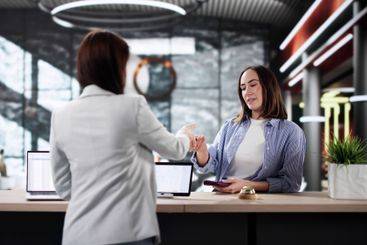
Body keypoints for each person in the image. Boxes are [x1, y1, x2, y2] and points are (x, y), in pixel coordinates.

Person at [50, 30, 196, 245]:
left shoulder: (60, 116)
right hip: (127, 234)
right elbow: (173, 149)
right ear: (116, 67)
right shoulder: (131, 106)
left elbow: (63, 186)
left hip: (77, 234)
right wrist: (185, 135)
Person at [192, 65, 306, 193]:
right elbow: (210, 164)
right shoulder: (230, 126)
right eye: (243, 88)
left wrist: (248, 185)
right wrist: (201, 150)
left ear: (268, 87)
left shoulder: (291, 132)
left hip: (261, 205)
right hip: (223, 203)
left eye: (253, 85)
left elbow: (291, 183)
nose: (247, 92)